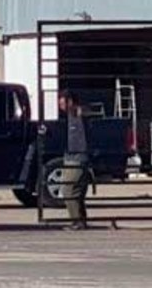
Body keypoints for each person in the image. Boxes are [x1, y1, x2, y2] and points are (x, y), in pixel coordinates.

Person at [59, 90, 90, 230]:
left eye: (62, 101)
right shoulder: (66, 117)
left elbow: (86, 112)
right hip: (70, 158)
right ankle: (81, 220)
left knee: (68, 190)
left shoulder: (77, 113)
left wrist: (79, 110)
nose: (60, 104)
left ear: (70, 101)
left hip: (77, 158)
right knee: (76, 191)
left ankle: (77, 221)